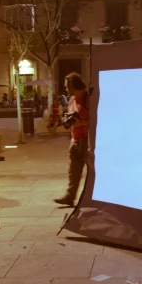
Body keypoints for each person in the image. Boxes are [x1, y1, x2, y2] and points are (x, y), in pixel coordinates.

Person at [54, 72, 89, 207]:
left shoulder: (88, 99)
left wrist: (81, 122)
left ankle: (93, 198)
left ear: (74, 86)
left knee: (92, 172)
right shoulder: (71, 100)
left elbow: (95, 119)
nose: (66, 90)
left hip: (87, 140)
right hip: (75, 139)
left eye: (67, 87)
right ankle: (70, 196)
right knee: (73, 171)